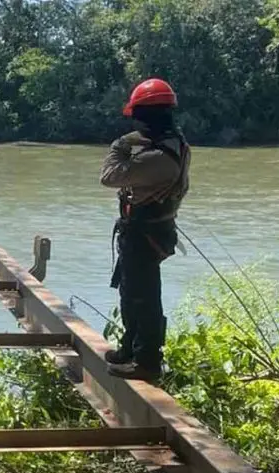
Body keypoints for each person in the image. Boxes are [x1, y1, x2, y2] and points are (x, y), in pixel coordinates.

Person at [100, 78, 190, 381]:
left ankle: (148, 359)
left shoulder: (156, 157)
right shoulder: (172, 146)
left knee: (144, 296)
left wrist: (122, 145)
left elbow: (110, 176)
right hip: (149, 232)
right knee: (132, 292)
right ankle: (132, 348)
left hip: (144, 234)